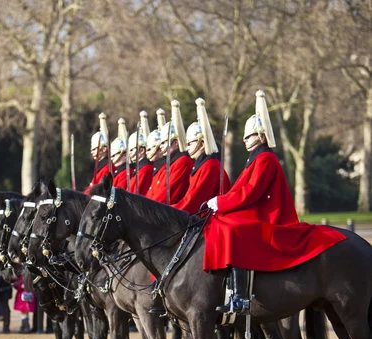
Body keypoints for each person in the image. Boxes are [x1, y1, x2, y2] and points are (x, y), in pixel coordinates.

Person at [204, 90, 347, 315]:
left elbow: (251, 192)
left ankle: (240, 295)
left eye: (249, 136)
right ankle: (227, 288)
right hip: (255, 212)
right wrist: (220, 202)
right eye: (244, 136)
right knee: (219, 223)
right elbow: (240, 189)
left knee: (232, 229)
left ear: (261, 136)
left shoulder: (266, 159)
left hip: (269, 218)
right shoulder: (255, 159)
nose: (244, 139)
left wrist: (221, 203)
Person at [174, 98, 231, 215]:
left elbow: (195, 200)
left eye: (190, 144)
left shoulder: (210, 166)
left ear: (202, 144)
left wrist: (171, 212)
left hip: (213, 218)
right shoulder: (202, 165)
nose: (187, 148)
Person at [147, 100, 193, 204]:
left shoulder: (182, 161)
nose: (161, 146)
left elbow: (168, 194)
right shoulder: (170, 163)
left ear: (176, 142)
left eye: (164, 143)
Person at [85, 113, 115, 193]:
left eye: (95, 149)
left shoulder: (108, 167)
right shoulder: (100, 167)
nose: (92, 152)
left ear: (104, 149)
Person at [129, 111, 154, 195]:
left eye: (132, 150)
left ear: (142, 150)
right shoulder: (139, 168)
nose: (129, 153)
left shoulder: (146, 168)